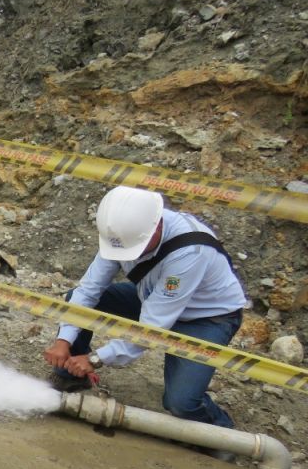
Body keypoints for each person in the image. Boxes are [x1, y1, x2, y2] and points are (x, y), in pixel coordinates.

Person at [43, 186, 246, 435]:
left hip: (206, 318)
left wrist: (96, 359)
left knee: (181, 404)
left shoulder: (190, 252)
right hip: (153, 297)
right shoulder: (122, 231)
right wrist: (64, 340)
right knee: (76, 298)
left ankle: (221, 432)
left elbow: (151, 329)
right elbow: (88, 290)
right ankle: (72, 375)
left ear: (157, 225)